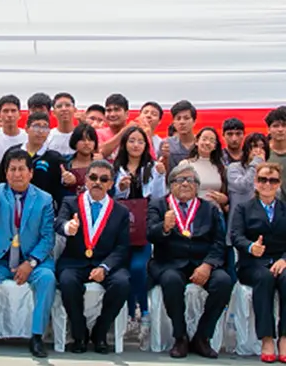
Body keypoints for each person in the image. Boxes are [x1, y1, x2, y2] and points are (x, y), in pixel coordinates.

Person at [0, 148, 57, 358]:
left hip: (32, 259)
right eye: (12, 170)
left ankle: (36, 336)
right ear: (6, 172)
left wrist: (32, 263)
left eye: (21, 169)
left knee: (47, 279)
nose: (17, 174)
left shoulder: (44, 199)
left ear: (30, 173)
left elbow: (48, 238)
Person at [147, 163, 232, 359]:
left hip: (203, 262)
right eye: (179, 180)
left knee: (223, 282)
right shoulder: (159, 205)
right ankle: (180, 337)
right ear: (171, 185)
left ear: (197, 186)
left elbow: (219, 242)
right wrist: (165, 228)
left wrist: (208, 265)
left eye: (190, 180)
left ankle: (202, 337)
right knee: (171, 281)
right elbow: (150, 234)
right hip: (169, 261)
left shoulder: (209, 208)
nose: (185, 183)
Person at [55, 160, 132, 354]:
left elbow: (122, 247)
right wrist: (68, 228)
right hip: (75, 261)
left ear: (111, 183)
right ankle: (79, 333)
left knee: (122, 283)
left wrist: (105, 267)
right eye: (93, 177)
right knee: (67, 281)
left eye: (104, 179)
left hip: (105, 263)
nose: (98, 182)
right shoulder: (70, 202)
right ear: (86, 180)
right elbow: (59, 223)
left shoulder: (121, 211)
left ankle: (100, 331)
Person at [112, 125, 167, 340]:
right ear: (125, 144)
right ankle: (127, 313)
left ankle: (142, 311)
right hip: (120, 230)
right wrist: (122, 188)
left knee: (138, 268)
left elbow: (159, 198)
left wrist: (161, 177)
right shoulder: (116, 168)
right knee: (122, 270)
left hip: (143, 229)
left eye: (140, 141)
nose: (136, 145)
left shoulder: (153, 168)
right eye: (132, 140)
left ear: (147, 145)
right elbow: (111, 199)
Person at [230, 163, 286, 363]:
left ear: (279, 184)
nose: (267, 184)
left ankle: (285, 338)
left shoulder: (284, 208)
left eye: (272, 180)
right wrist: (250, 246)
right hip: (252, 263)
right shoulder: (243, 208)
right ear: (255, 183)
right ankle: (267, 338)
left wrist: (284, 259)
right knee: (264, 278)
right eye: (262, 180)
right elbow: (236, 235)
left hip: (280, 261)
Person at [2, 112, 66, 207]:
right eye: (36, 126)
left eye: (45, 128)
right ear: (26, 129)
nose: (40, 131)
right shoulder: (12, 152)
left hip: (42, 209)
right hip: (12, 206)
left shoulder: (55, 158)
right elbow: (1, 180)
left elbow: (59, 189)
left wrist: (68, 180)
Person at [228, 133, 270, 216]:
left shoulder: (269, 171)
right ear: (246, 149)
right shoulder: (234, 167)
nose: (258, 150)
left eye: (262, 147)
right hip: (240, 217)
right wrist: (256, 163)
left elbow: (276, 193)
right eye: (254, 146)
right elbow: (243, 186)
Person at [64, 123, 99, 195]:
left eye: (90, 140)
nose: (87, 143)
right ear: (75, 141)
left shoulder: (102, 165)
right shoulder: (64, 163)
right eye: (82, 140)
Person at [0, 95, 28, 162]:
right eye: (6, 111)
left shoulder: (27, 137)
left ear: (20, 114)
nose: (10, 115)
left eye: (13, 111)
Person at [166, 100, 198, 169]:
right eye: (178, 118)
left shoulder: (201, 143)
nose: (182, 122)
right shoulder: (166, 144)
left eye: (186, 118)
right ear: (174, 122)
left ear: (194, 121)